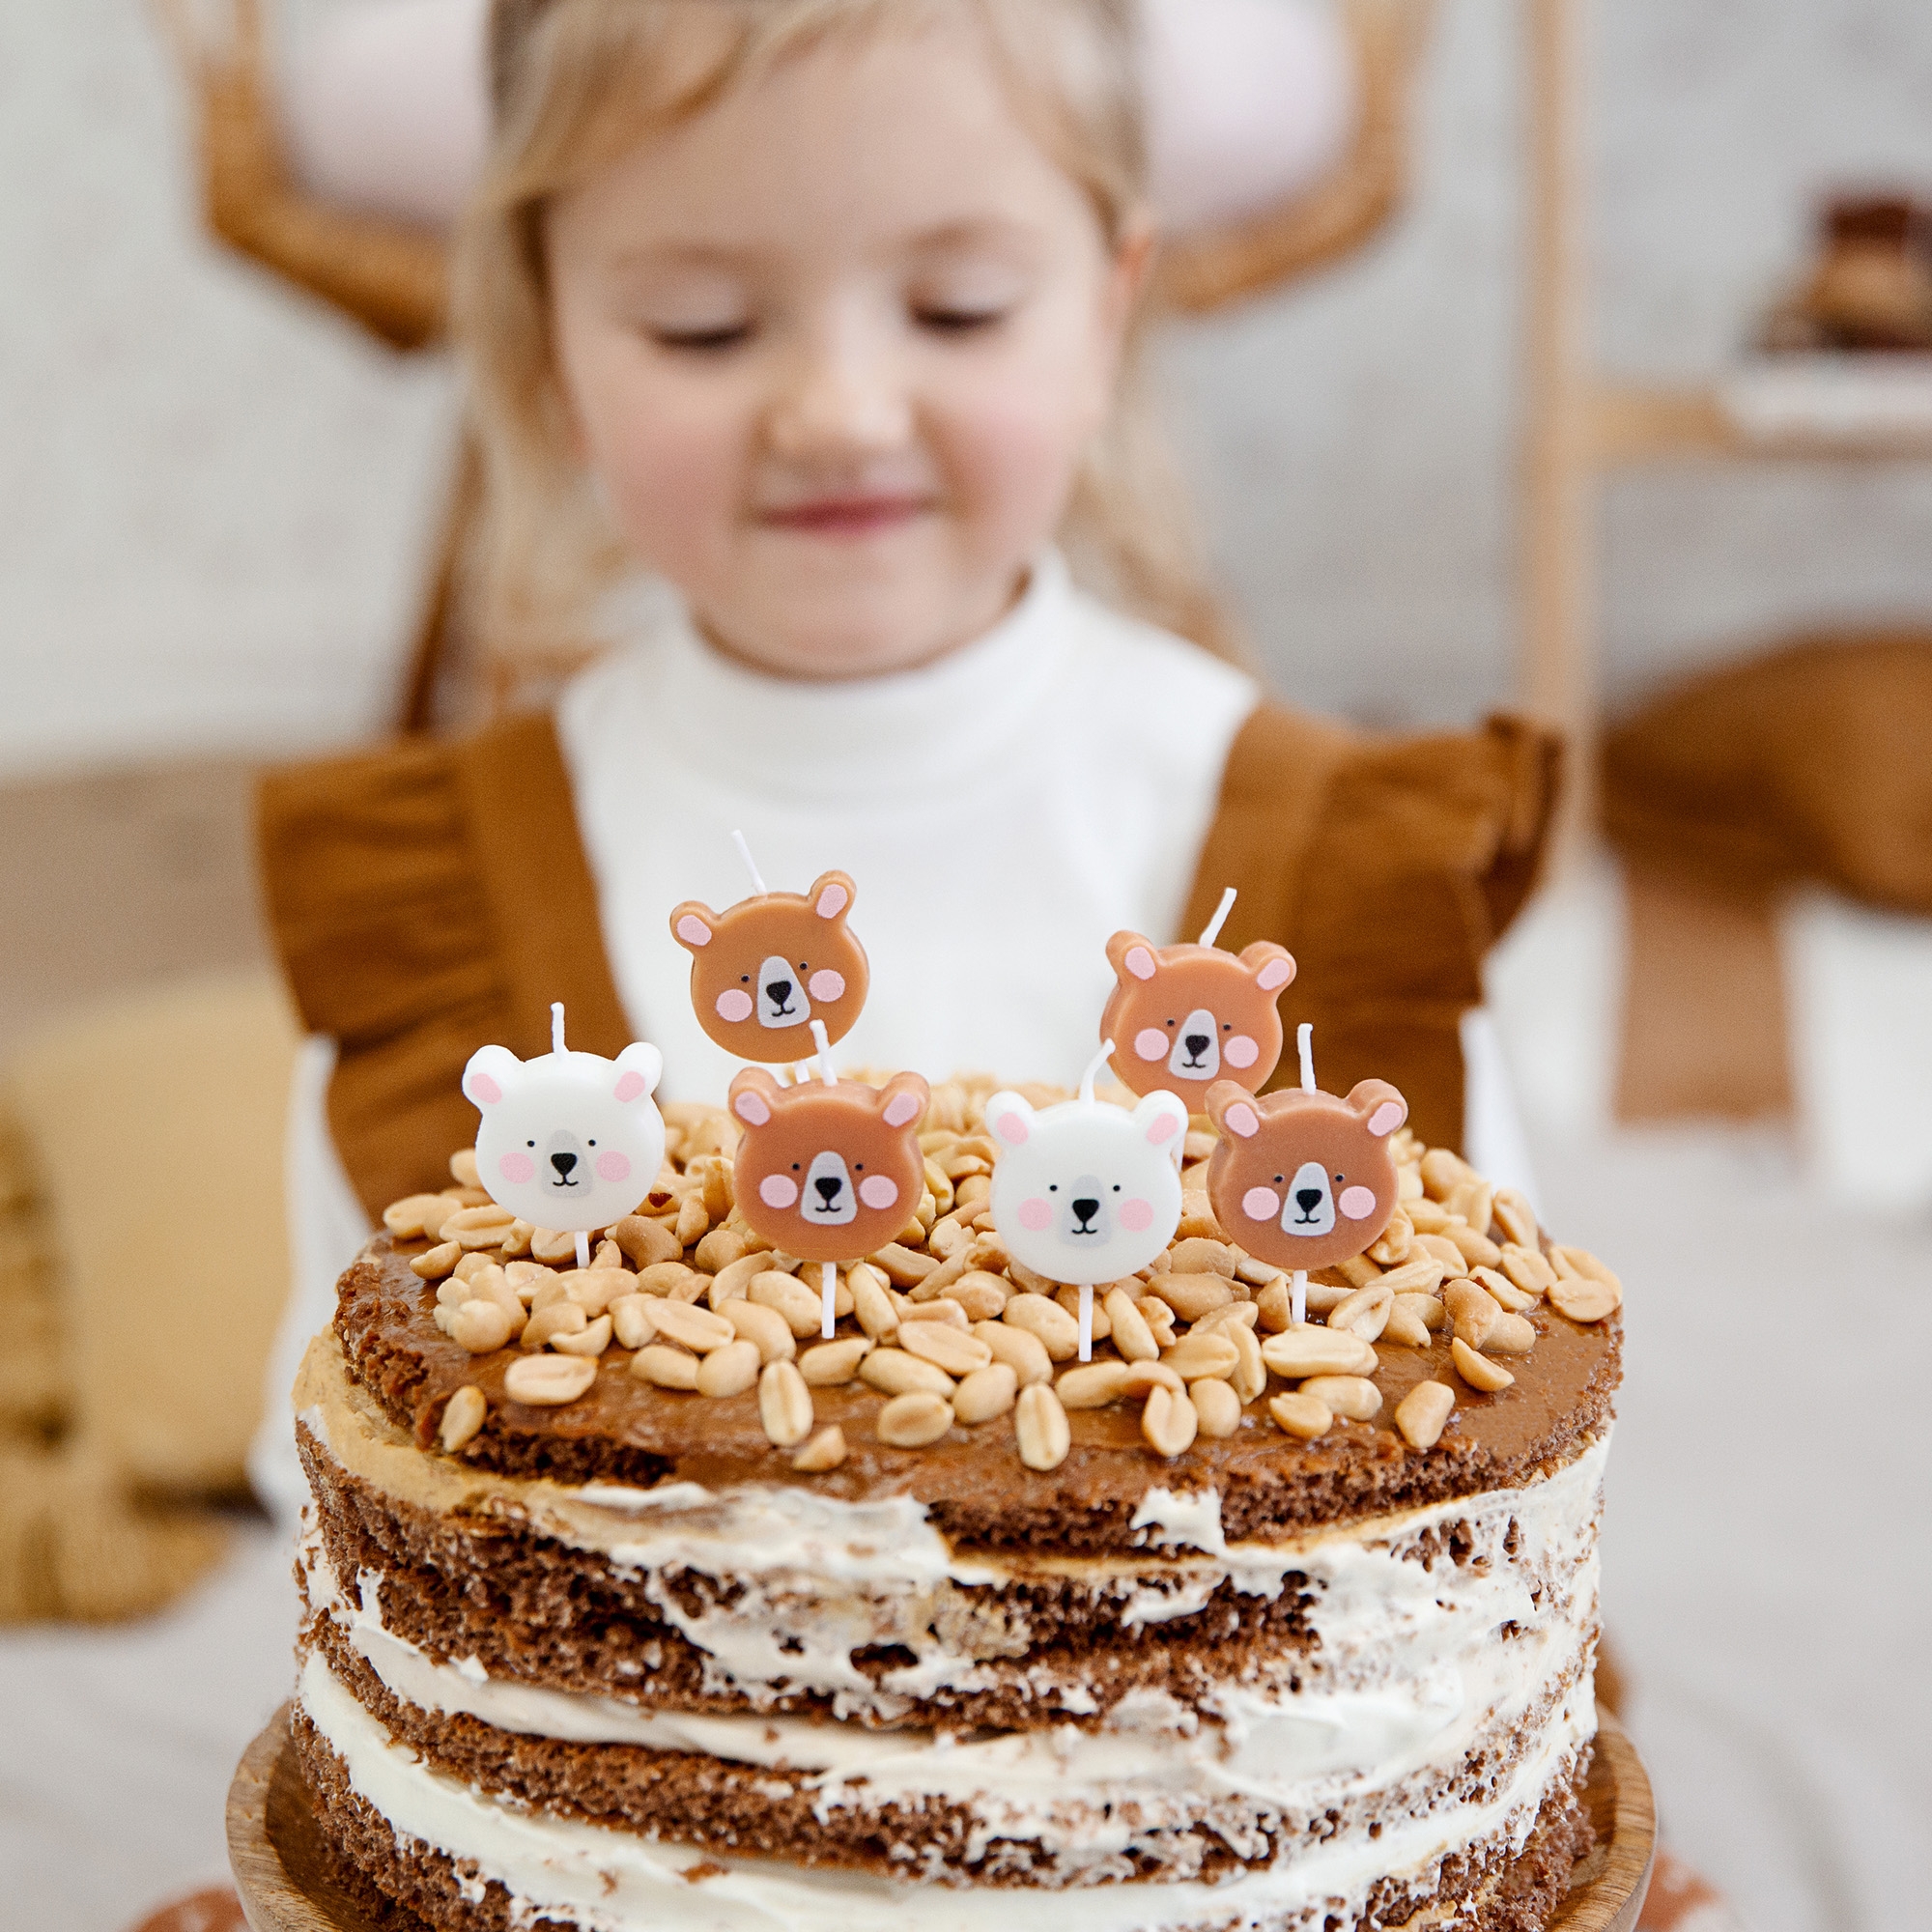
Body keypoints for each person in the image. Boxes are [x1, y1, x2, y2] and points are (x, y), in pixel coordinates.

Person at [251, 0, 1554, 1516]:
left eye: (958, 307)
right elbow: (342, 1457)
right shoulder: (438, 893)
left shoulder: (1344, 851)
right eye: (705, 328)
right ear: (546, 342)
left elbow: (1492, 1399)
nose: (840, 412)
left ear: (1107, 318)